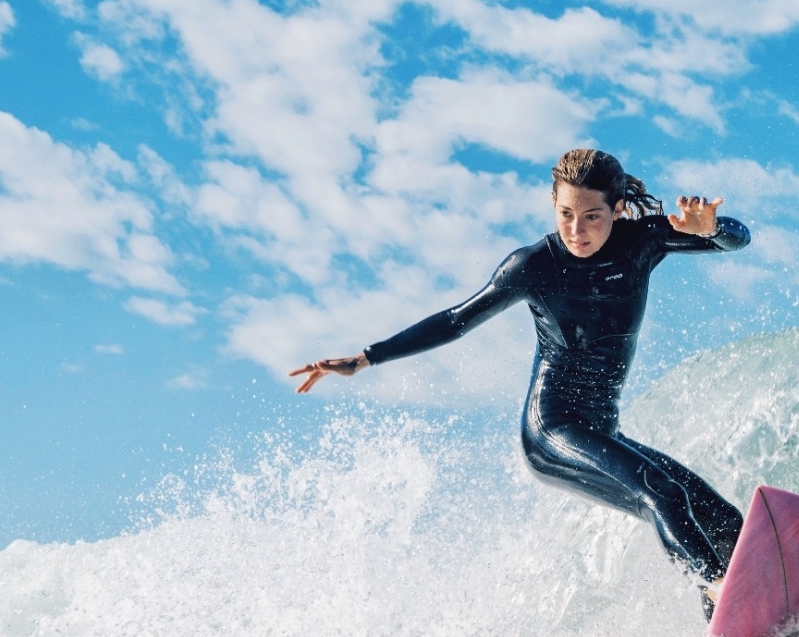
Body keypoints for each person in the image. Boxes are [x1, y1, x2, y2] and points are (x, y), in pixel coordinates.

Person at [290, 148, 750, 611]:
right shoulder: (533, 266)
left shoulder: (641, 242)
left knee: (724, 520)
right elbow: (455, 320)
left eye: (592, 216)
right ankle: (721, 593)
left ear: (617, 210)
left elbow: (738, 239)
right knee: (661, 493)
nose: (576, 230)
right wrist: (366, 358)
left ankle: (739, 629)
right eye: (566, 214)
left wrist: (710, 228)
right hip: (552, 431)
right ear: (553, 204)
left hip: (602, 431)